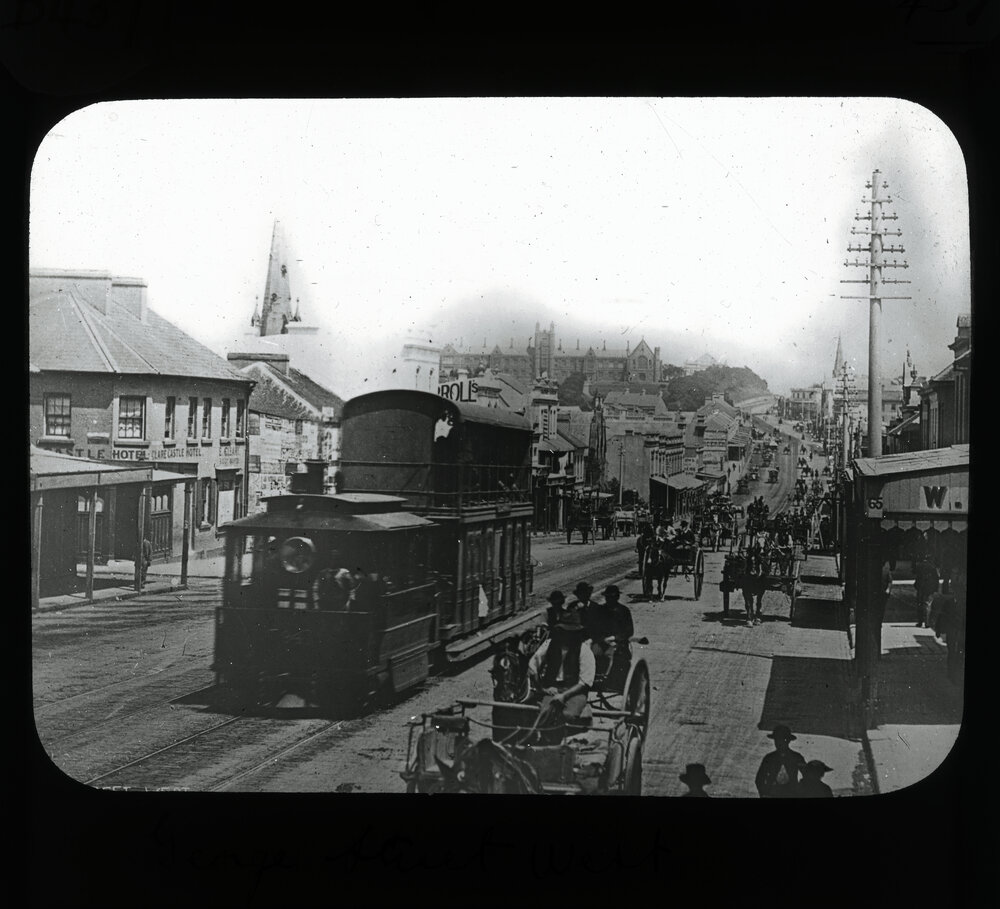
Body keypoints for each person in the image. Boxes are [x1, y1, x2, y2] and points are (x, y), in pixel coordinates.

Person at [527, 607, 596, 744]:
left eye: (571, 632)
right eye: (564, 631)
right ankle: (545, 740)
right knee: (544, 712)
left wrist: (564, 696)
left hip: (575, 691)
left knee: (568, 715)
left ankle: (563, 742)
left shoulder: (584, 651)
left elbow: (585, 682)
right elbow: (532, 665)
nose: (567, 635)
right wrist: (542, 688)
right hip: (553, 689)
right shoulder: (549, 645)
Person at [585, 585, 635, 679]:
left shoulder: (624, 611)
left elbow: (629, 631)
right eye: (608, 597)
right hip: (601, 641)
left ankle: (606, 677)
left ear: (617, 597)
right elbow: (594, 628)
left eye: (612, 597)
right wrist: (601, 639)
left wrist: (614, 638)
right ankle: (590, 674)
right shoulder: (600, 610)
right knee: (589, 653)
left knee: (610, 654)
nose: (609, 599)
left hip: (618, 643)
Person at [754, 725, 806, 797]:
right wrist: (764, 793)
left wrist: (800, 791)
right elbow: (759, 778)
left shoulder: (796, 757)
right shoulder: (769, 758)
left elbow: (807, 775)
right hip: (773, 793)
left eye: (783, 740)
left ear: (788, 741)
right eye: (777, 740)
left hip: (791, 794)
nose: (779, 743)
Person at [913, 553, 940, 628]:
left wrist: (916, 586)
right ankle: (927, 622)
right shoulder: (933, 567)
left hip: (921, 588)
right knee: (928, 605)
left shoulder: (919, 566)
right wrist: (936, 589)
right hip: (929, 589)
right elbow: (936, 579)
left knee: (920, 604)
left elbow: (917, 577)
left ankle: (920, 622)